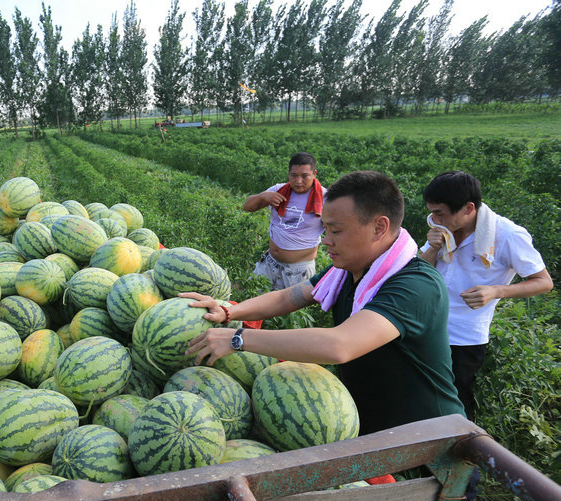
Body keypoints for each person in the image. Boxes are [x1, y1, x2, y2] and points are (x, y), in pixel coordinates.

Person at [186, 171, 465, 435]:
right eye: (325, 229)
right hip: (374, 432)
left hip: (428, 439)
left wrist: (238, 338)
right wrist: (229, 310)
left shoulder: (416, 285)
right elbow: (289, 296)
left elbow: (340, 345)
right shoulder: (346, 271)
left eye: (336, 231)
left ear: (379, 227)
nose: (325, 240)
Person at [420, 171, 553, 422]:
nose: (434, 218)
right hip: (428, 324)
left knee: (456, 400)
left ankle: (460, 452)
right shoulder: (440, 230)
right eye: (432, 212)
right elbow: (419, 271)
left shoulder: (507, 235)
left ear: (469, 208)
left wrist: (496, 291)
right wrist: (434, 248)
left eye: (440, 212)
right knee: (423, 394)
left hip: (464, 336)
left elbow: (544, 282)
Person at [243, 152, 325, 290]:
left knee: (290, 311)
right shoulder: (279, 190)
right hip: (270, 263)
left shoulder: (325, 198)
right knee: (251, 299)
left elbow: (340, 229)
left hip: (299, 271)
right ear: (289, 174)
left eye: (305, 176)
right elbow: (247, 207)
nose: (299, 181)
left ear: (314, 174)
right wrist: (263, 196)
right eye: (294, 176)